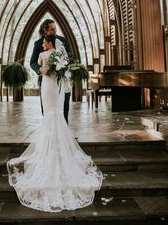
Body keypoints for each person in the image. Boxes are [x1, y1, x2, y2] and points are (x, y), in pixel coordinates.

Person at [7, 35, 103, 212]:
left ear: (49, 42)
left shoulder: (44, 54)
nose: (42, 43)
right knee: (55, 114)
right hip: (56, 87)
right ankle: (58, 142)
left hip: (48, 86)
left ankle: (52, 145)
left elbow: (38, 66)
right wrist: (56, 68)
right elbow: (63, 69)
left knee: (51, 114)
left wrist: (45, 69)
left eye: (44, 41)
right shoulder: (61, 55)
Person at [30, 19, 73, 123]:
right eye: (52, 29)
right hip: (46, 82)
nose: (55, 31)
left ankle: (63, 135)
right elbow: (32, 62)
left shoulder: (63, 40)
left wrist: (62, 67)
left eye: (55, 29)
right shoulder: (38, 44)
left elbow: (70, 58)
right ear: (45, 31)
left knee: (64, 110)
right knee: (47, 111)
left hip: (62, 81)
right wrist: (41, 69)